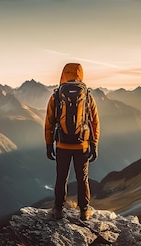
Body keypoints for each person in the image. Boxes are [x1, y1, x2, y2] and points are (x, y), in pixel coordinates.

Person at [44, 63, 100, 221]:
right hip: (82, 144)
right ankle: (84, 210)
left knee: (61, 178)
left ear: (63, 74)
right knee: (82, 178)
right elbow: (94, 122)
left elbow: (49, 121)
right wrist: (94, 144)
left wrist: (49, 144)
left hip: (62, 144)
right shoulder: (87, 96)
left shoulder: (56, 95)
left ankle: (58, 209)